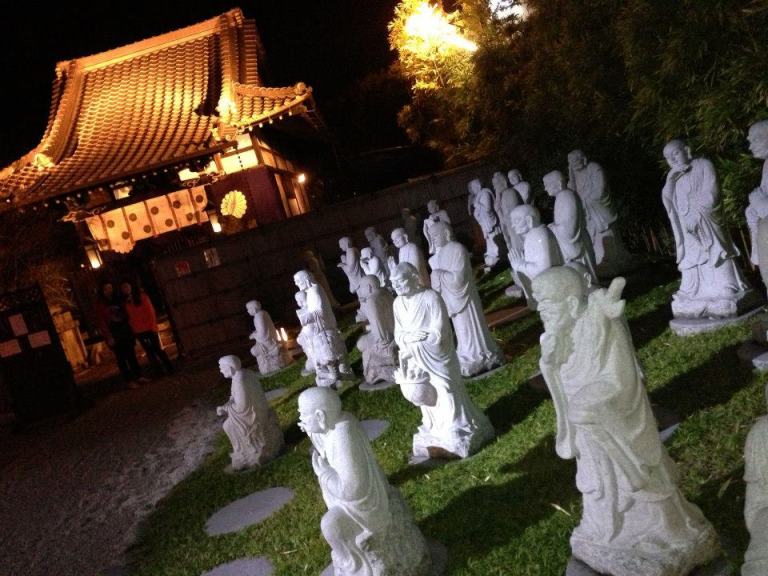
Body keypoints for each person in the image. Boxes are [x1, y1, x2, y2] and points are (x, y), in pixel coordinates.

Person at [533, 267, 720, 576]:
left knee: (642, 484)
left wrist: (590, 403)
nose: (542, 312)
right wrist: (549, 363)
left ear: (569, 303)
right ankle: (607, 530)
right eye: (539, 304)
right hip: (588, 434)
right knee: (597, 488)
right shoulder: (556, 335)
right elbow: (560, 380)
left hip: (613, 417)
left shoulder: (601, 323)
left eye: (548, 304)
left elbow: (622, 380)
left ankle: (665, 531)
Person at [298, 386, 431, 575]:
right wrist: (311, 431)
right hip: (353, 503)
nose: (300, 419)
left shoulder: (343, 435)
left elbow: (352, 489)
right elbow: (323, 441)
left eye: (303, 414)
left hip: (366, 509)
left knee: (331, 526)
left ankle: (359, 567)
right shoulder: (338, 422)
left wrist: (324, 474)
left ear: (320, 416)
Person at [392, 262, 495, 460]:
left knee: (445, 388)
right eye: (393, 283)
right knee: (426, 395)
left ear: (414, 277)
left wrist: (422, 339)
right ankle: (434, 426)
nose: (397, 286)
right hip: (415, 355)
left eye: (401, 281)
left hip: (437, 356)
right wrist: (410, 340)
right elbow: (399, 334)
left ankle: (456, 425)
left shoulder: (431, 297)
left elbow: (440, 330)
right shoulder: (398, 304)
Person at [661, 139, 751, 317]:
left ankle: (727, 285)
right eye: (668, 158)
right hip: (686, 226)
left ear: (687, 149)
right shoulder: (674, 176)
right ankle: (692, 290)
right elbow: (668, 201)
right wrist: (670, 180)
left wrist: (698, 214)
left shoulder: (703, 165)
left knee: (716, 250)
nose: (673, 160)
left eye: (676, 153)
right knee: (692, 256)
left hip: (706, 219)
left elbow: (713, 193)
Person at [428, 221, 503, 377]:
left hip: (465, 298)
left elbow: (459, 279)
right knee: (461, 330)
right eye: (431, 236)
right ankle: (466, 353)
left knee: (470, 326)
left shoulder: (457, 249)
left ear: (446, 233)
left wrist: (439, 275)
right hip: (453, 300)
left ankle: (481, 354)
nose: (433, 239)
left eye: (435, 235)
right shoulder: (441, 255)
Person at [567, 150, 629, 268]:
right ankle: (600, 261)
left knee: (607, 236)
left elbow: (600, 190)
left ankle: (614, 260)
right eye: (570, 162)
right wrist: (571, 174)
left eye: (575, 160)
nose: (573, 163)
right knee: (592, 240)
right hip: (586, 215)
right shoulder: (573, 177)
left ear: (583, 159)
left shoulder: (593, 168)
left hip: (598, 210)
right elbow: (572, 195)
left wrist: (584, 201)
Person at [543, 170, 598, 282]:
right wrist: (554, 226)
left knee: (583, 276)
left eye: (547, 185)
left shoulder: (565, 196)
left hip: (578, 245)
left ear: (558, 183)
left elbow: (569, 230)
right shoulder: (563, 196)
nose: (545, 188)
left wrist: (553, 228)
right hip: (578, 242)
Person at [94, 280, 145, 388]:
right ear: (102, 291)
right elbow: (102, 321)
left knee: (131, 355)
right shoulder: (101, 304)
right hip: (114, 332)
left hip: (125, 330)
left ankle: (138, 376)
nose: (109, 290)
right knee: (121, 358)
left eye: (110, 287)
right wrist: (109, 337)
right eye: (106, 289)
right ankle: (129, 380)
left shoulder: (117, 299)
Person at [121, 280, 173, 376]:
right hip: (138, 330)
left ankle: (169, 367)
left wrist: (153, 327)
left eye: (127, 287)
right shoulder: (125, 302)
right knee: (149, 352)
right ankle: (158, 371)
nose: (126, 290)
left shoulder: (142, 297)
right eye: (124, 288)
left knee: (157, 349)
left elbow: (150, 312)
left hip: (148, 328)